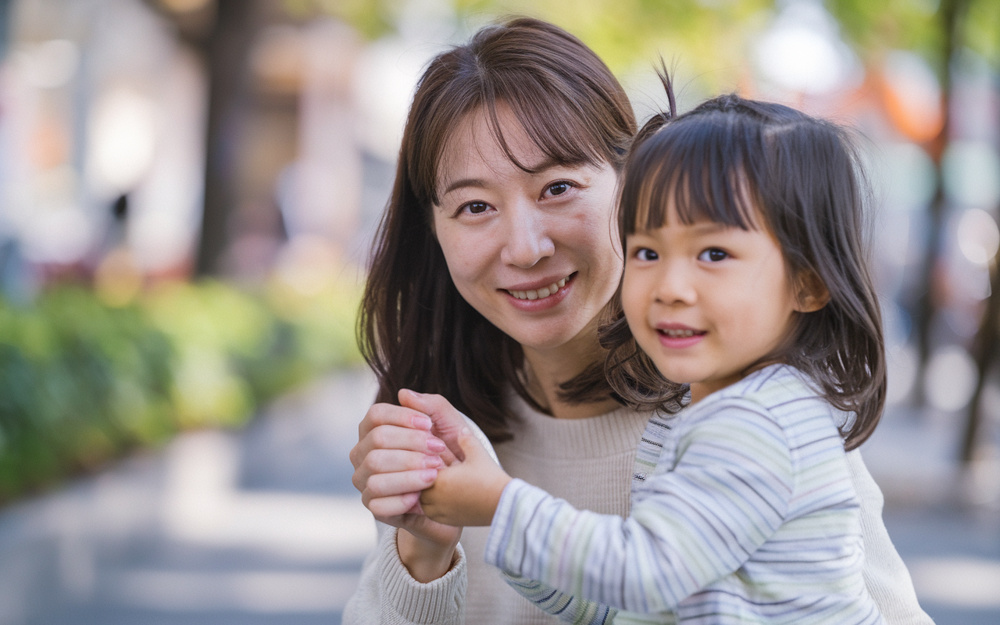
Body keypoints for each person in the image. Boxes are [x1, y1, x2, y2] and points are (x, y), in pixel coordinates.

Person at [344, 16, 932, 625]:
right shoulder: (449, 435)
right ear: (433, 231)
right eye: (474, 206)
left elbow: (644, 573)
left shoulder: (753, 413)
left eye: (557, 188)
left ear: (632, 186)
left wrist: (502, 507)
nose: (524, 248)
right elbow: (616, 606)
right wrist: (423, 554)